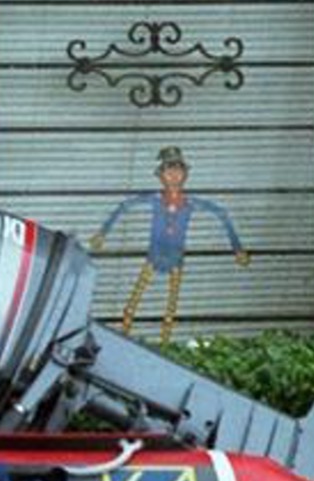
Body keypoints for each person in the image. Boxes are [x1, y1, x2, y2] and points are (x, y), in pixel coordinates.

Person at [89, 145, 250, 344]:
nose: (173, 175)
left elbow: (221, 213)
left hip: (175, 259)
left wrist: (237, 248)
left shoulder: (190, 203)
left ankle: (165, 347)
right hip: (154, 256)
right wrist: (102, 234)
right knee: (133, 304)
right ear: (160, 175)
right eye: (168, 170)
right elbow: (124, 206)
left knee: (169, 309)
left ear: (185, 174)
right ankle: (123, 340)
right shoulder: (156, 200)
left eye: (178, 170)